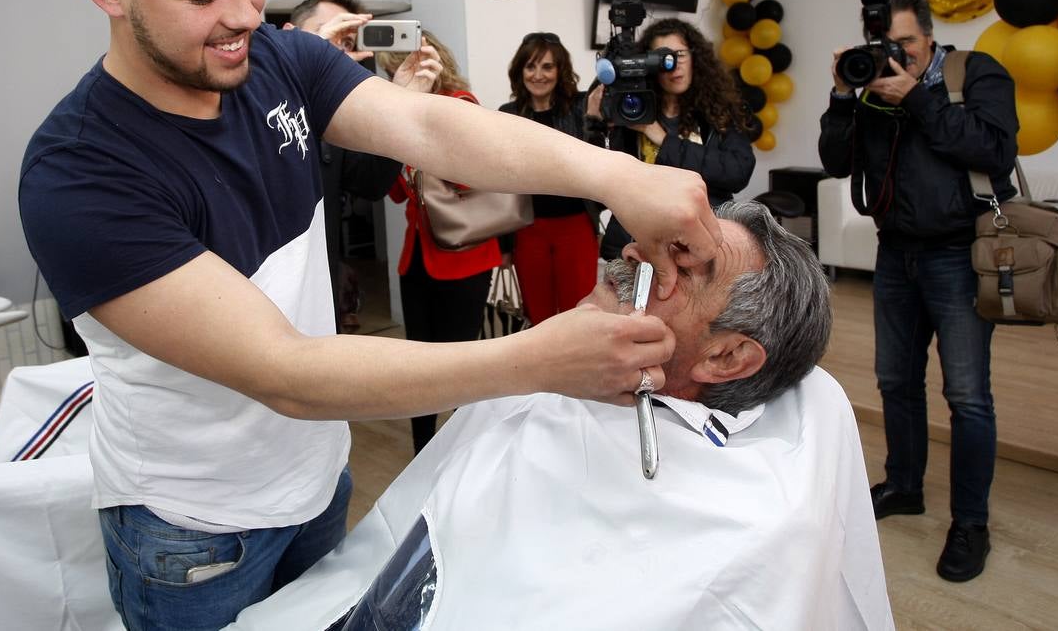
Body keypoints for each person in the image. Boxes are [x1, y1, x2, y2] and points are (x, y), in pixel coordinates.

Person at [18, 0, 722, 631]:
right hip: (194, 528)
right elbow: (285, 370)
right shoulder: (79, 174)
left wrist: (621, 176)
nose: (244, 13)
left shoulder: (278, 63)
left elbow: (433, 129)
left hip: (319, 472)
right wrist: (534, 358)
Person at [229, 201, 895, 630]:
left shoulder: (744, 521)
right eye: (665, 240)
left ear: (725, 358)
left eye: (682, 266)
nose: (639, 253)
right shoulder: (559, 378)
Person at [817, 0, 1018, 583]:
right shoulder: (871, 91)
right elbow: (834, 160)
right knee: (895, 381)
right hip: (895, 255)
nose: (894, 55)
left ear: (928, 36)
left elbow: (994, 150)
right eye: (885, 44)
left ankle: (970, 524)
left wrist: (921, 99)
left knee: (967, 396)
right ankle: (905, 486)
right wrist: (842, 95)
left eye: (904, 42)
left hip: (959, 254)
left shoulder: (971, 72)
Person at [377, 34, 502, 453]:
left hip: (464, 257)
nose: (393, 81)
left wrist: (417, 134)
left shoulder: (461, 105)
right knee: (418, 365)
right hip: (417, 260)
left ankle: (461, 453)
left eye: (395, 71)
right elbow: (394, 193)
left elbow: (472, 178)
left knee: (459, 363)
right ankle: (422, 452)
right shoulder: (398, 116)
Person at [287, 0, 441, 331]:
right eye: (330, 34)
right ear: (288, 35)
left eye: (347, 43)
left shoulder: (334, 121)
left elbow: (371, 184)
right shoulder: (248, 104)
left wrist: (403, 103)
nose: (335, 51)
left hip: (322, 301)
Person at [588, 17, 756, 259]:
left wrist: (662, 138)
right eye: (663, 59)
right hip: (637, 242)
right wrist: (594, 122)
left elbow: (738, 171)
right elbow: (600, 185)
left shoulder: (719, 111)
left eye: (679, 54)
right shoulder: (630, 110)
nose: (673, 65)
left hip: (701, 241)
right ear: (648, 65)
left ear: (695, 57)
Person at [497, 31, 599, 325]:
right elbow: (500, 184)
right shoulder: (508, 114)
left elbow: (597, 156)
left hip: (577, 225)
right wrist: (503, 247)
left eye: (547, 66)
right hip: (528, 229)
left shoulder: (581, 107)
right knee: (538, 316)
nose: (538, 75)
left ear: (560, 70)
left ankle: (578, 372)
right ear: (520, 71)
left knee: (579, 314)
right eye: (531, 66)